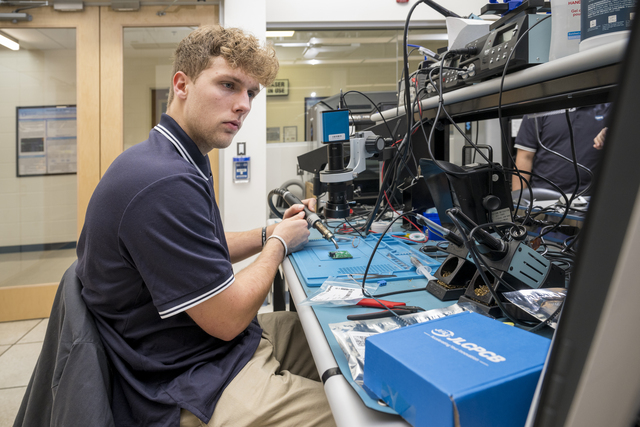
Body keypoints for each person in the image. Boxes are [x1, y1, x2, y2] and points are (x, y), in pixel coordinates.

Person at [76, 26, 336, 427]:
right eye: (228, 85)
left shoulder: (172, 158)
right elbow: (228, 317)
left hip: (210, 348)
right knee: (359, 416)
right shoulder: (163, 182)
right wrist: (278, 247)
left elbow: (202, 249)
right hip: (190, 380)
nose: (243, 105)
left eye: (251, 92)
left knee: (333, 335)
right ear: (182, 84)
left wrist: (269, 233)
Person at [512, 104, 611, 195]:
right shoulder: (540, 107)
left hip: (589, 198)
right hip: (544, 197)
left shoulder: (609, 106)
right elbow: (525, 157)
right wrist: (517, 203)